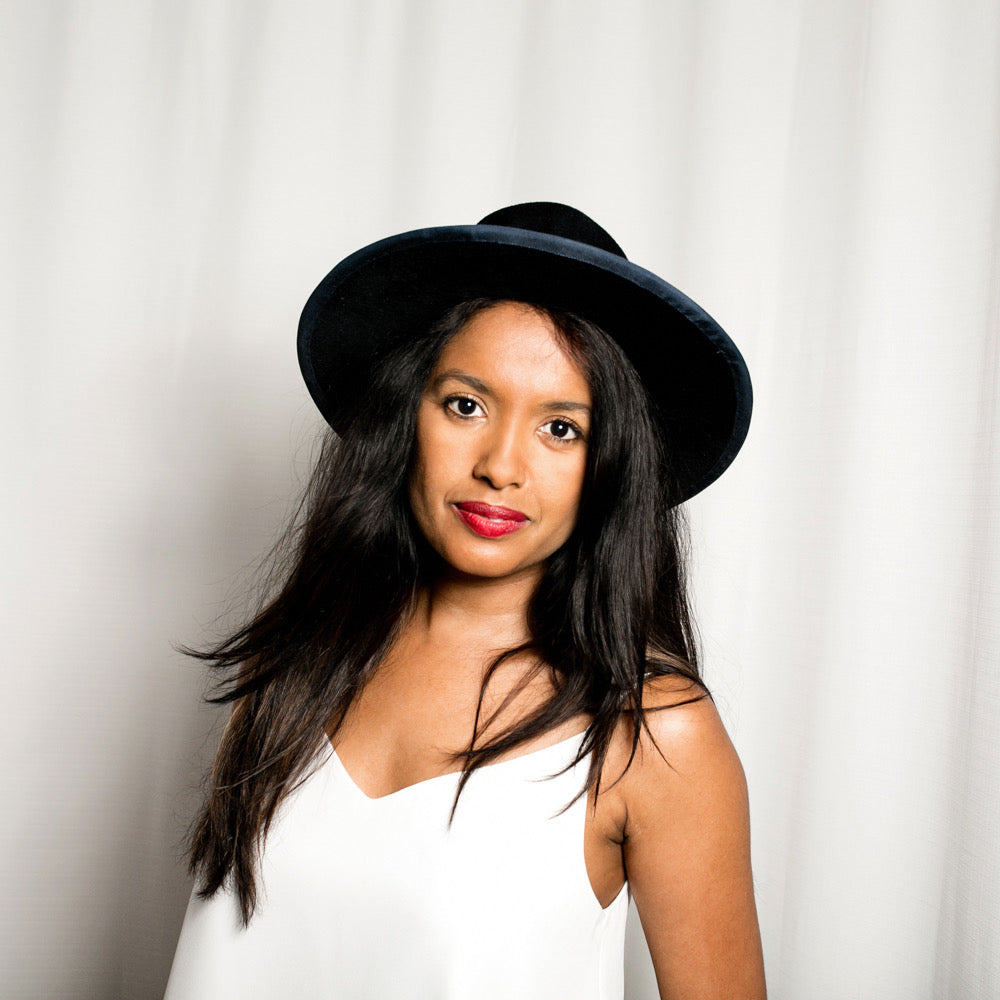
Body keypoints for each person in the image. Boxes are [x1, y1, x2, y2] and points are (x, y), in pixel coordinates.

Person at [164, 202, 766, 1000]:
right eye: (465, 405)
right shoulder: (295, 665)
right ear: (402, 418)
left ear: (610, 467)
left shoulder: (654, 732)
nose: (501, 466)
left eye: (561, 428)